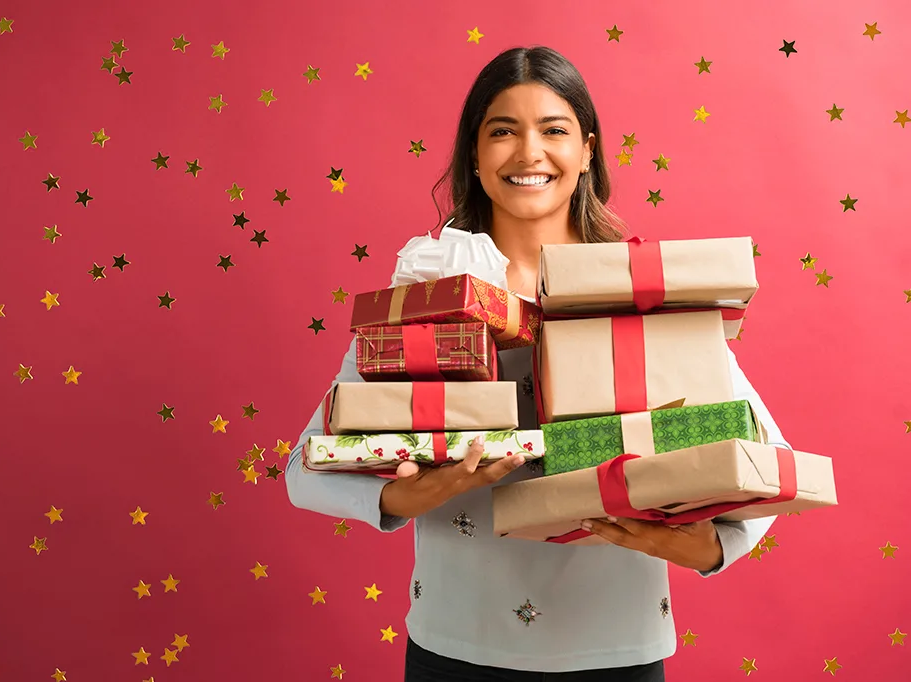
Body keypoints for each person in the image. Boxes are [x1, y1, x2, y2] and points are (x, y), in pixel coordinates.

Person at [285, 45, 791, 681]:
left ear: (587, 151)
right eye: (503, 131)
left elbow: (766, 454)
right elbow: (303, 467)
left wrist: (711, 546)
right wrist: (402, 496)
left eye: (554, 130)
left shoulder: (641, 293)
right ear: (475, 153)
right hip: (455, 646)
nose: (529, 153)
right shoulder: (431, 289)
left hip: (618, 647)